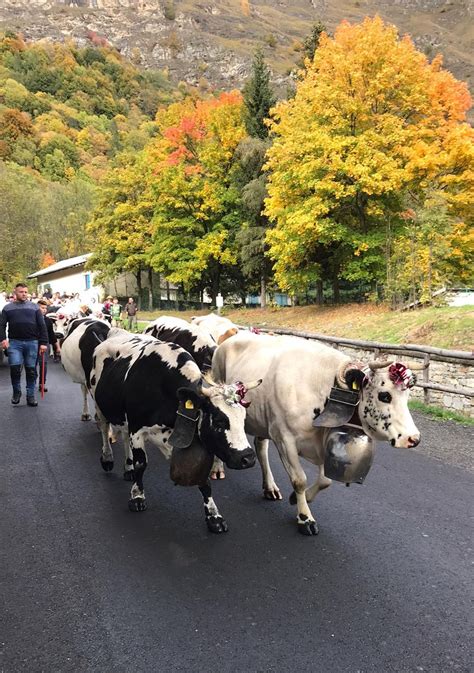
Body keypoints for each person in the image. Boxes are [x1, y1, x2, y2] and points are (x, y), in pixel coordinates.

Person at [0, 283, 48, 406]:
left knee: (31, 370)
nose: (24, 294)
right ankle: (17, 392)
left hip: (32, 342)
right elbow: (2, 325)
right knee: (15, 369)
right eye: (21, 292)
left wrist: (43, 342)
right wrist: (3, 339)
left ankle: (30, 396)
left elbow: (42, 326)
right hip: (15, 343)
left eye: (26, 292)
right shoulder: (7, 308)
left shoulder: (34, 307)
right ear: (15, 292)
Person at [36, 299, 61, 393]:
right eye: (42, 308)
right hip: (33, 343)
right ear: (37, 308)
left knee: (43, 364)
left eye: (45, 308)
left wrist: (57, 347)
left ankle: (42, 384)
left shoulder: (47, 320)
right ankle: (32, 380)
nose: (44, 310)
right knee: (32, 365)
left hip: (44, 344)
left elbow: (52, 335)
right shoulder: (32, 318)